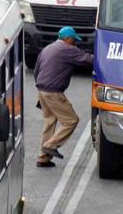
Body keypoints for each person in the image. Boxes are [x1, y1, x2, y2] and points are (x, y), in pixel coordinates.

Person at [34, 26, 94, 167]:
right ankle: (50, 145)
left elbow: (37, 70)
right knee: (71, 120)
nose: (75, 43)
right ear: (67, 39)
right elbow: (89, 60)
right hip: (53, 92)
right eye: (74, 40)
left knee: (50, 122)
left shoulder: (48, 48)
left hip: (41, 90)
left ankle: (43, 158)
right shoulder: (67, 49)